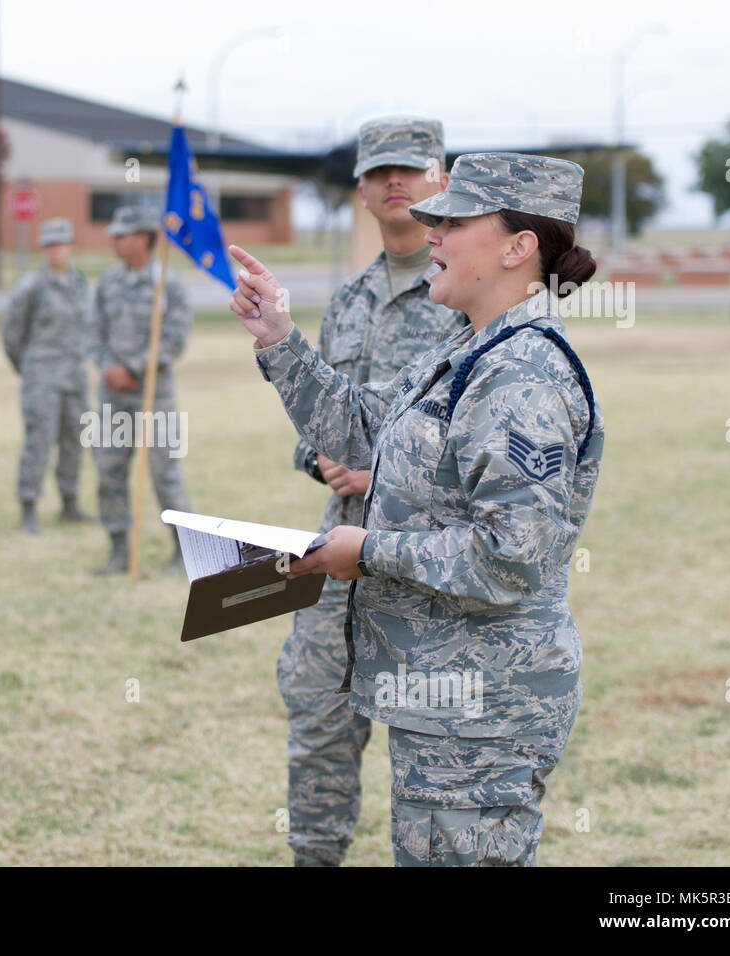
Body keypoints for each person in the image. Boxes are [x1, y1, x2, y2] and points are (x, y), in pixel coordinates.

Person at [230, 152, 604, 866]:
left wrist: (365, 552)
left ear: (517, 247)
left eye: (454, 221)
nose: (429, 233)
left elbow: (511, 557)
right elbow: (360, 429)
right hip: (441, 696)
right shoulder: (467, 349)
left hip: (484, 711)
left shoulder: (521, 374)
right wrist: (279, 336)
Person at [279, 117, 467, 867]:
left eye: (412, 170)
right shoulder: (349, 298)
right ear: (359, 190)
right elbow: (315, 412)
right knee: (318, 718)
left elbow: (472, 428)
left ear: (442, 179)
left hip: (425, 555)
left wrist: (381, 466)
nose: (397, 183)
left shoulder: (466, 285)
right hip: (339, 548)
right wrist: (319, 460)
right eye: (380, 171)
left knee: (429, 739)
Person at [88, 205, 193, 574]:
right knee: (109, 471)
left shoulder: (168, 283)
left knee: (165, 475)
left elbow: (175, 339)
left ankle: (183, 553)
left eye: (122, 235)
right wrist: (108, 368)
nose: (115, 241)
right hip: (112, 395)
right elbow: (92, 332)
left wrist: (134, 368)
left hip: (155, 396)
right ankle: (118, 550)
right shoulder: (106, 283)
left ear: (143, 239)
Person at [2, 217, 91, 533]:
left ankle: (69, 502)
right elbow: (12, 334)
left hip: (74, 376)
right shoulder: (32, 286)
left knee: (73, 441)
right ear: (44, 248)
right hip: (42, 377)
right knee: (38, 441)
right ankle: (28, 505)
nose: (57, 250)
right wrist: (29, 368)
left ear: (70, 246)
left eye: (62, 243)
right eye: (51, 244)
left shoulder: (78, 282)